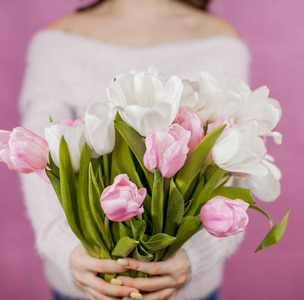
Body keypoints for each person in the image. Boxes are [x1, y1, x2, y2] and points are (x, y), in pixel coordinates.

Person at [19, 0, 250, 299]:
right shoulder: (58, 41)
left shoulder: (218, 40)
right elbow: (39, 151)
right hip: (87, 280)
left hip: (183, 287)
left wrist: (192, 257)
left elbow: (233, 156)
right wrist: (70, 251)